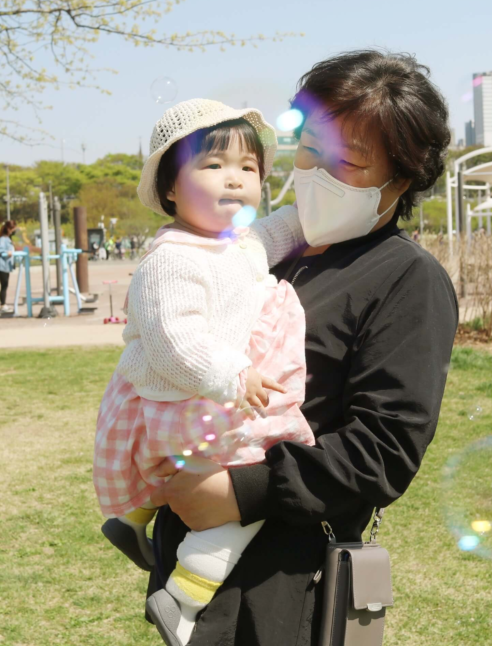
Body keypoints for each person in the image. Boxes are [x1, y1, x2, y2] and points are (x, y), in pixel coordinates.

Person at [145, 51, 458, 646]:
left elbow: (385, 449)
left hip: (283, 577)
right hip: (189, 550)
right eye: (310, 149)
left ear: (401, 179)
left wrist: (239, 493)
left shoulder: (407, 279)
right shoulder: (266, 250)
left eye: (348, 162)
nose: (316, 173)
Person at [92, 98, 315, 646]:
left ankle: (134, 515)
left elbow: (284, 228)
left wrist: (322, 201)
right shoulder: (173, 260)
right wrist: (237, 375)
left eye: (248, 168)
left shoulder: (239, 245)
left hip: (197, 404)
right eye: (213, 165)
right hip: (184, 401)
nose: (234, 178)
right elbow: (176, 344)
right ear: (170, 187)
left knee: (210, 478)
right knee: (250, 493)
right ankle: (184, 596)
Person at [0, 220, 17, 313]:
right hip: (2, 266)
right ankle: (3, 305)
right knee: (4, 285)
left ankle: (3, 305)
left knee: (5, 285)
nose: (14, 231)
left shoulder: (7, 238)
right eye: (13, 229)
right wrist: (7, 252)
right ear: (8, 229)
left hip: (6, 266)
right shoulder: (3, 239)